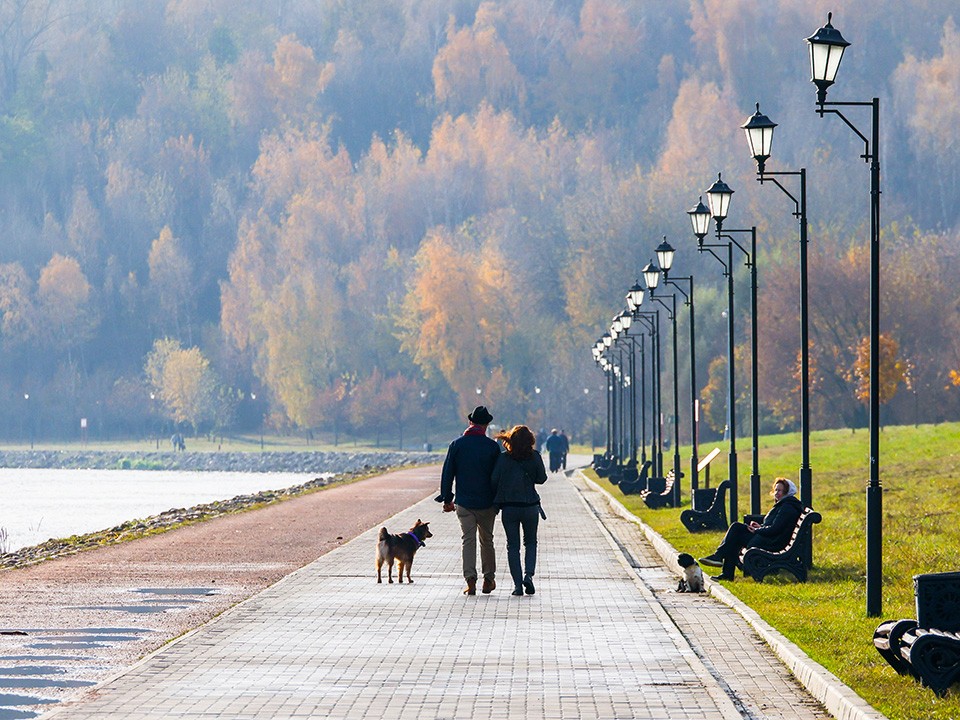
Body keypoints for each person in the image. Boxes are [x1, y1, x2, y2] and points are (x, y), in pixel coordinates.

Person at [438, 405, 502, 596]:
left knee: (468, 540)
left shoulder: (457, 445)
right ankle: (488, 579)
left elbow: (447, 474)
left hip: (464, 501)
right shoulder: (492, 447)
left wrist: (447, 499)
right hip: (487, 502)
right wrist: (498, 501)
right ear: (487, 425)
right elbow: (498, 476)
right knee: (487, 540)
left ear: (470, 422)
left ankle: (470, 579)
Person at [698, 477, 803, 581]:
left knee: (736, 531)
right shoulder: (784, 504)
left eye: (780, 490)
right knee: (736, 530)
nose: (776, 493)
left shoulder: (787, 507)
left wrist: (757, 530)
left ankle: (720, 560)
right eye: (775, 490)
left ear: (787, 492)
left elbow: (774, 529)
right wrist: (760, 527)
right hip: (768, 538)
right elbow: (774, 526)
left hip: (772, 542)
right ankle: (722, 565)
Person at [491, 425, 547, 596]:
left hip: (509, 508)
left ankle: (517, 585)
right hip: (530, 507)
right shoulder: (535, 457)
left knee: (512, 546)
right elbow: (542, 478)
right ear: (530, 440)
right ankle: (528, 576)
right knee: (531, 543)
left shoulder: (503, 458)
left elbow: (494, 480)